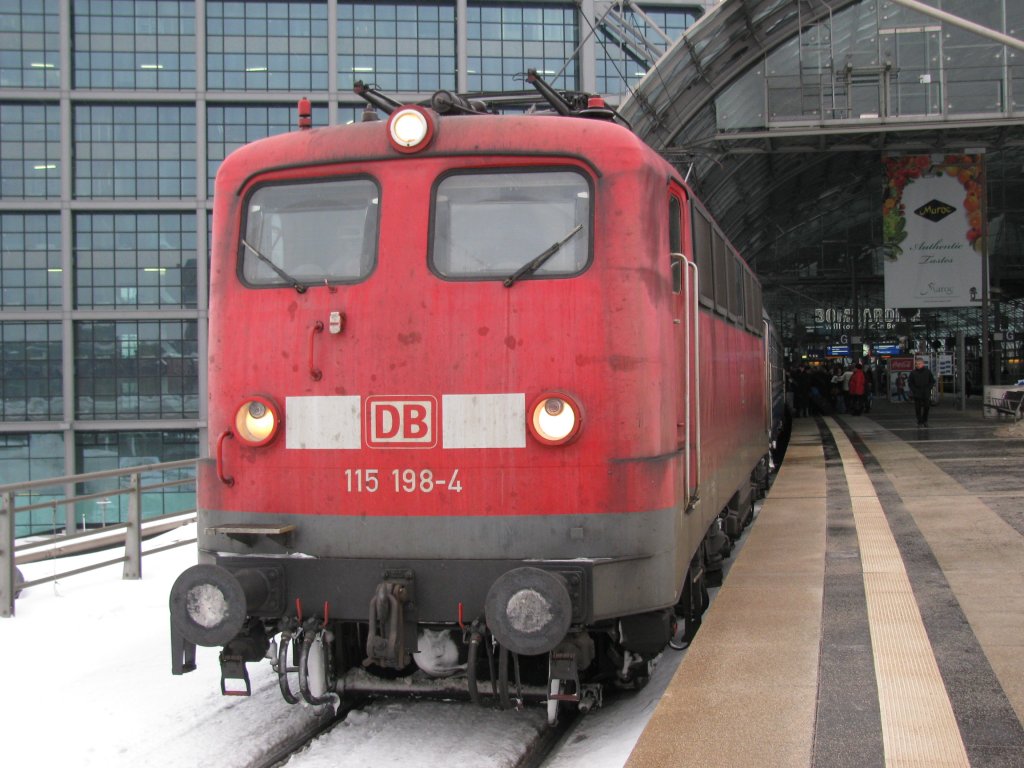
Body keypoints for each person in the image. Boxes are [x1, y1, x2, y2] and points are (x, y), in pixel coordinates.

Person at [908, 358, 936, 426]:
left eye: (919, 364)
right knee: (917, 408)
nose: (917, 365)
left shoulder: (927, 372)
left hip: (926, 392)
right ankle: (919, 420)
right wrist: (914, 389)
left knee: (927, 406)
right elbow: (910, 382)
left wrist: (929, 388)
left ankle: (925, 420)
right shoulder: (913, 373)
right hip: (917, 393)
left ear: (923, 364)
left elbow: (932, 381)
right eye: (916, 364)